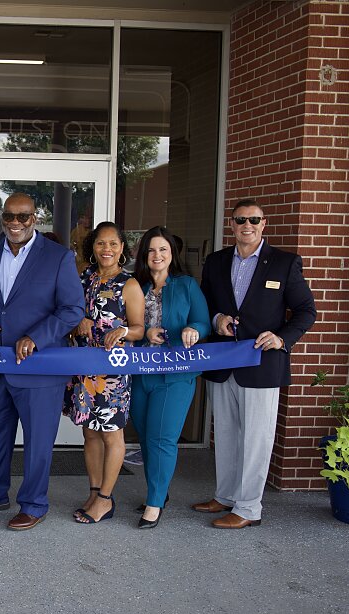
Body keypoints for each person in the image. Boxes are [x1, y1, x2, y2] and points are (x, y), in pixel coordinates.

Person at [0, 193, 85, 530]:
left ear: (35, 218)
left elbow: (72, 309)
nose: (15, 223)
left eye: (23, 217)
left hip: (38, 368)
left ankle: (34, 503)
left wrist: (38, 337)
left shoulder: (58, 257)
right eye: (9, 216)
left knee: (38, 441)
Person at [194, 200, 316, 529]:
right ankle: (227, 495)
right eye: (240, 220)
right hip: (224, 362)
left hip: (262, 365)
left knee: (256, 437)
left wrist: (282, 338)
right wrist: (217, 319)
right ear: (231, 225)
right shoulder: (216, 261)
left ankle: (248, 509)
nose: (247, 225)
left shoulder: (284, 263)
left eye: (254, 220)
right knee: (229, 434)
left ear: (264, 224)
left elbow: (306, 311)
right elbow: (204, 304)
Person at [129, 226, 211, 529]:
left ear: (172, 254)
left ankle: (154, 503)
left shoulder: (187, 284)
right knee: (147, 437)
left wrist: (195, 330)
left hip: (175, 375)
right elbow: (127, 325)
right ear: (144, 255)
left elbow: (203, 321)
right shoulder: (135, 285)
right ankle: (158, 493)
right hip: (139, 373)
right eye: (151, 250)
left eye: (162, 249)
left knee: (162, 438)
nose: (157, 255)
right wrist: (145, 333)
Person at [64, 221, 145, 524]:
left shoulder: (130, 284)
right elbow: (69, 314)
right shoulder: (83, 278)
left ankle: (106, 500)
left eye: (113, 243)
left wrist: (123, 330)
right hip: (85, 369)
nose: (106, 249)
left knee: (112, 435)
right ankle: (94, 491)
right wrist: (78, 321)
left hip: (112, 374)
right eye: (100, 243)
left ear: (122, 248)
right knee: (90, 434)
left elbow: (139, 328)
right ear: (93, 247)